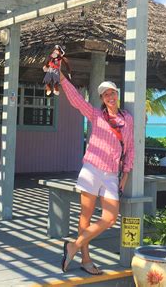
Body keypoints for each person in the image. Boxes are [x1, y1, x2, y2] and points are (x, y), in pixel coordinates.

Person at [59, 72, 134, 275]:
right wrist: (61, 77)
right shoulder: (96, 115)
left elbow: (130, 147)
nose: (110, 97)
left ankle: (73, 246)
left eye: (112, 93)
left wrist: (125, 173)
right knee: (86, 216)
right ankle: (85, 258)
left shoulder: (127, 119)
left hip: (111, 174)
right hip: (91, 169)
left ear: (117, 94)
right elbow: (75, 99)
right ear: (101, 99)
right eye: (105, 94)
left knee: (110, 217)